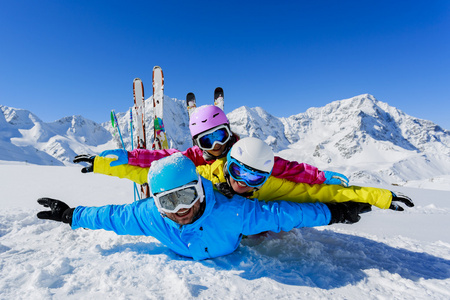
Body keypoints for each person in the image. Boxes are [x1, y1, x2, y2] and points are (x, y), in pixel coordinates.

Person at [37, 153, 371, 260]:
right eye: (168, 201)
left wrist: (335, 213)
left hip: (235, 234)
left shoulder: (232, 211)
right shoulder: (150, 216)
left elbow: (286, 213)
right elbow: (112, 216)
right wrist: (71, 215)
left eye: (186, 196)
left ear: (200, 189)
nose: (180, 209)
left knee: (266, 226)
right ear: (156, 203)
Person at [77, 137, 414, 211]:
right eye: (236, 172)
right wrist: (104, 164)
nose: (242, 183)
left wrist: (381, 197)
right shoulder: (204, 173)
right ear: (227, 165)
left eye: (254, 178)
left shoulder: (269, 186)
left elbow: (323, 192)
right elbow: (152, 172)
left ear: (265, 177)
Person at [79, 105, 349, 186]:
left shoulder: (246, 153)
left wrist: (321, 177)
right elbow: (161, 156)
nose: (217, 145)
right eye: (208, 140)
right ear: (198, 143)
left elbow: (287, 168)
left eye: (220, 135)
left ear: (229, 131)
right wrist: (128, 155)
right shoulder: (196, 156)